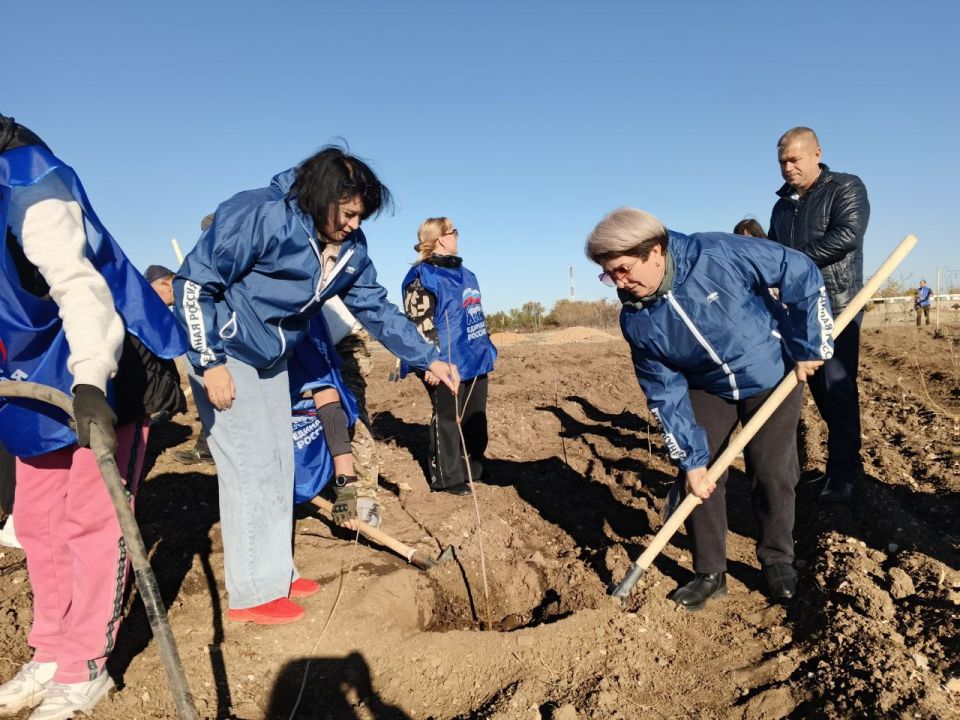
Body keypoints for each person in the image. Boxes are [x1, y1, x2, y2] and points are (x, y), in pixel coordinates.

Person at [172, 145, 459, 625]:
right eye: (348, 214)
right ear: (321, 197)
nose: (354, 224)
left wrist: (427, 356)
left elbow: (376, 308)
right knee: (251, 465)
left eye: (361, 216)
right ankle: (252, 593)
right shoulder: (261, 215)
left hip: (273, 354)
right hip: (228, 350)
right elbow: (195, 284)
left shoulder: (350, 250)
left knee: (279, 462)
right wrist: (209, 361)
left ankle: (276, 574)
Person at [0, 115, 186, 718]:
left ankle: (84, 666)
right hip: (31, 380)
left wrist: (89, 382)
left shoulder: (29, 184)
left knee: (91, 520)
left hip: (103, 367)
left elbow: (82, 291)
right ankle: (50, 652)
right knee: (37, 522)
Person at [585, 208, 833, 610]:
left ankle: (777, 559)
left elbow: (799, 270)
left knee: (772, 470)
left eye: (623, 270)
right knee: (698, 476)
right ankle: (710, 572)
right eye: (609, 275)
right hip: (708, 386)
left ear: (655, 251)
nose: (619, 283)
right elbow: (664, 391)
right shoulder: (636, 319)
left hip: (769, 372)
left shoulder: (716, 253)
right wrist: (691, 459)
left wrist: (810, 344)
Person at [768, 127, 870, 503]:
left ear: (816, 154)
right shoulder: (782, 206)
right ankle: (845, 463)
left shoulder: (845, 187)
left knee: (837, 386)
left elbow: (847, 236)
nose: (788, 168)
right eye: (782, 162)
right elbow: (773, 251)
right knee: (819, 389)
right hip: (799, 308)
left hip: (838, 304)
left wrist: (794, 262)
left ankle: (844, 472)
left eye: (794, 160)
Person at [401, 218, 497, 495]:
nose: (457, 236)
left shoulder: (468, 274)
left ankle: (472, 467)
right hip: (445, 361)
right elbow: (418, 322)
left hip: (475, 356)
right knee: (448, 418)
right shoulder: (421, 276)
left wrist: (485, 346)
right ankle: (448, 477)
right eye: (454, 232)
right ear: (441, 238)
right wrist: (429, 363)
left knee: (474, 417)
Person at [144, 263, 216, 465]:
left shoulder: (191, 295)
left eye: (153, 293)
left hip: (216, 359)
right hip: (204, 360)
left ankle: (208, 449)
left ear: (166, 284)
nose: (152, 300)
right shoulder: (179, 303)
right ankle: (207, 447)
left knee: (215, 401)